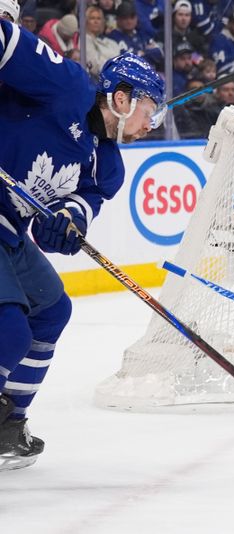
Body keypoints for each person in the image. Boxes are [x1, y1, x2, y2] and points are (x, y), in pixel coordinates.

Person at [0, 22, 165, 470]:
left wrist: (67, 224)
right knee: (10, 331)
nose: (152, 122)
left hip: (9, 228)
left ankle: (9, 424)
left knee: (52, 310)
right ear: (123, 97)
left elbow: (73, 211)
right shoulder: (65, 85)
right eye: (151, 108)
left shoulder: (106, 165)